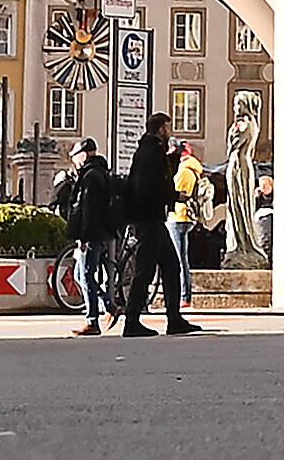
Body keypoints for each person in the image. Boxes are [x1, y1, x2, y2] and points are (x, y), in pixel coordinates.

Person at [120, 113, 196, 334]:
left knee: (171, 267)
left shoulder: (150, 151)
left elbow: (154, 179)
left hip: (152, 219)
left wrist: (172, 159)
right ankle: (132, 321)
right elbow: (149, 188)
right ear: (161, 128)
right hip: (149, 219)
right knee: (145, 271)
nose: (170, 131)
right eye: (168, 127)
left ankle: (174, 319)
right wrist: (174, 197)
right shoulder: (151, 152)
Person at [61, 137, 127, 331]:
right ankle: (109, 306)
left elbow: (86, 208)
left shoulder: (90, 176)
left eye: (75, 157)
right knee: (81, 275)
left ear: (83, 155)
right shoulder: (101, 173)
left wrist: (83, 236)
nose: (74, 162)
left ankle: (93, 320)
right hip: (102, 232)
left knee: (86, 275)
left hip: (92, 234)